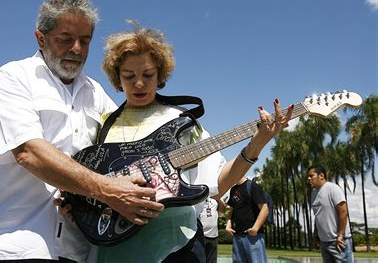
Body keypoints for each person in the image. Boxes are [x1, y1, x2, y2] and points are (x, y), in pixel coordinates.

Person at [0, 0, 164, 262]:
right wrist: (106, 190)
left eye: (85, 40)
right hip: (10, 246)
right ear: (41, 38)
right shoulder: (14, 77)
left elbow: (118, 152)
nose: (76, 49)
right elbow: (29, 152)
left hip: (74, 248)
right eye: (65, 39)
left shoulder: (96, 94)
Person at [87, 21, 293, 262]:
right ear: (117, 78)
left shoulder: (181, 121)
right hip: (115, 249)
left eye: (148, 74)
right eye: (129, 76)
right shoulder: (105, 124)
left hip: (176, 248)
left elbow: (219, 181)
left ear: (160, 74)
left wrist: (256, 144)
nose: (139, 83)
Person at [307, 165, 353, 263]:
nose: (309, 178)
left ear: (321, 175)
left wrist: (340, 234)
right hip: (324, 243)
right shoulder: (313, 194)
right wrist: (316, 237)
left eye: (311, 176)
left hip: (338, 242)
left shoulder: (333, 188)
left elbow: (343, 211)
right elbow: (318, 216)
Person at [225, 177, 269, 263]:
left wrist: (255, 228)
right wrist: (228, 224)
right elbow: (232, 208)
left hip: (253, 237)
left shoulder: (253, 186)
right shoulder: (233, 189)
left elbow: (264, 209)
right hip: (237, 235)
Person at [199, 195, 221, 263]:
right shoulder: (198, 198)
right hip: (201, 236)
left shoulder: (215, 199)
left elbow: (223, 209)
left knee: (212, 261)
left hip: (213, 235)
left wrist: (219, 198)